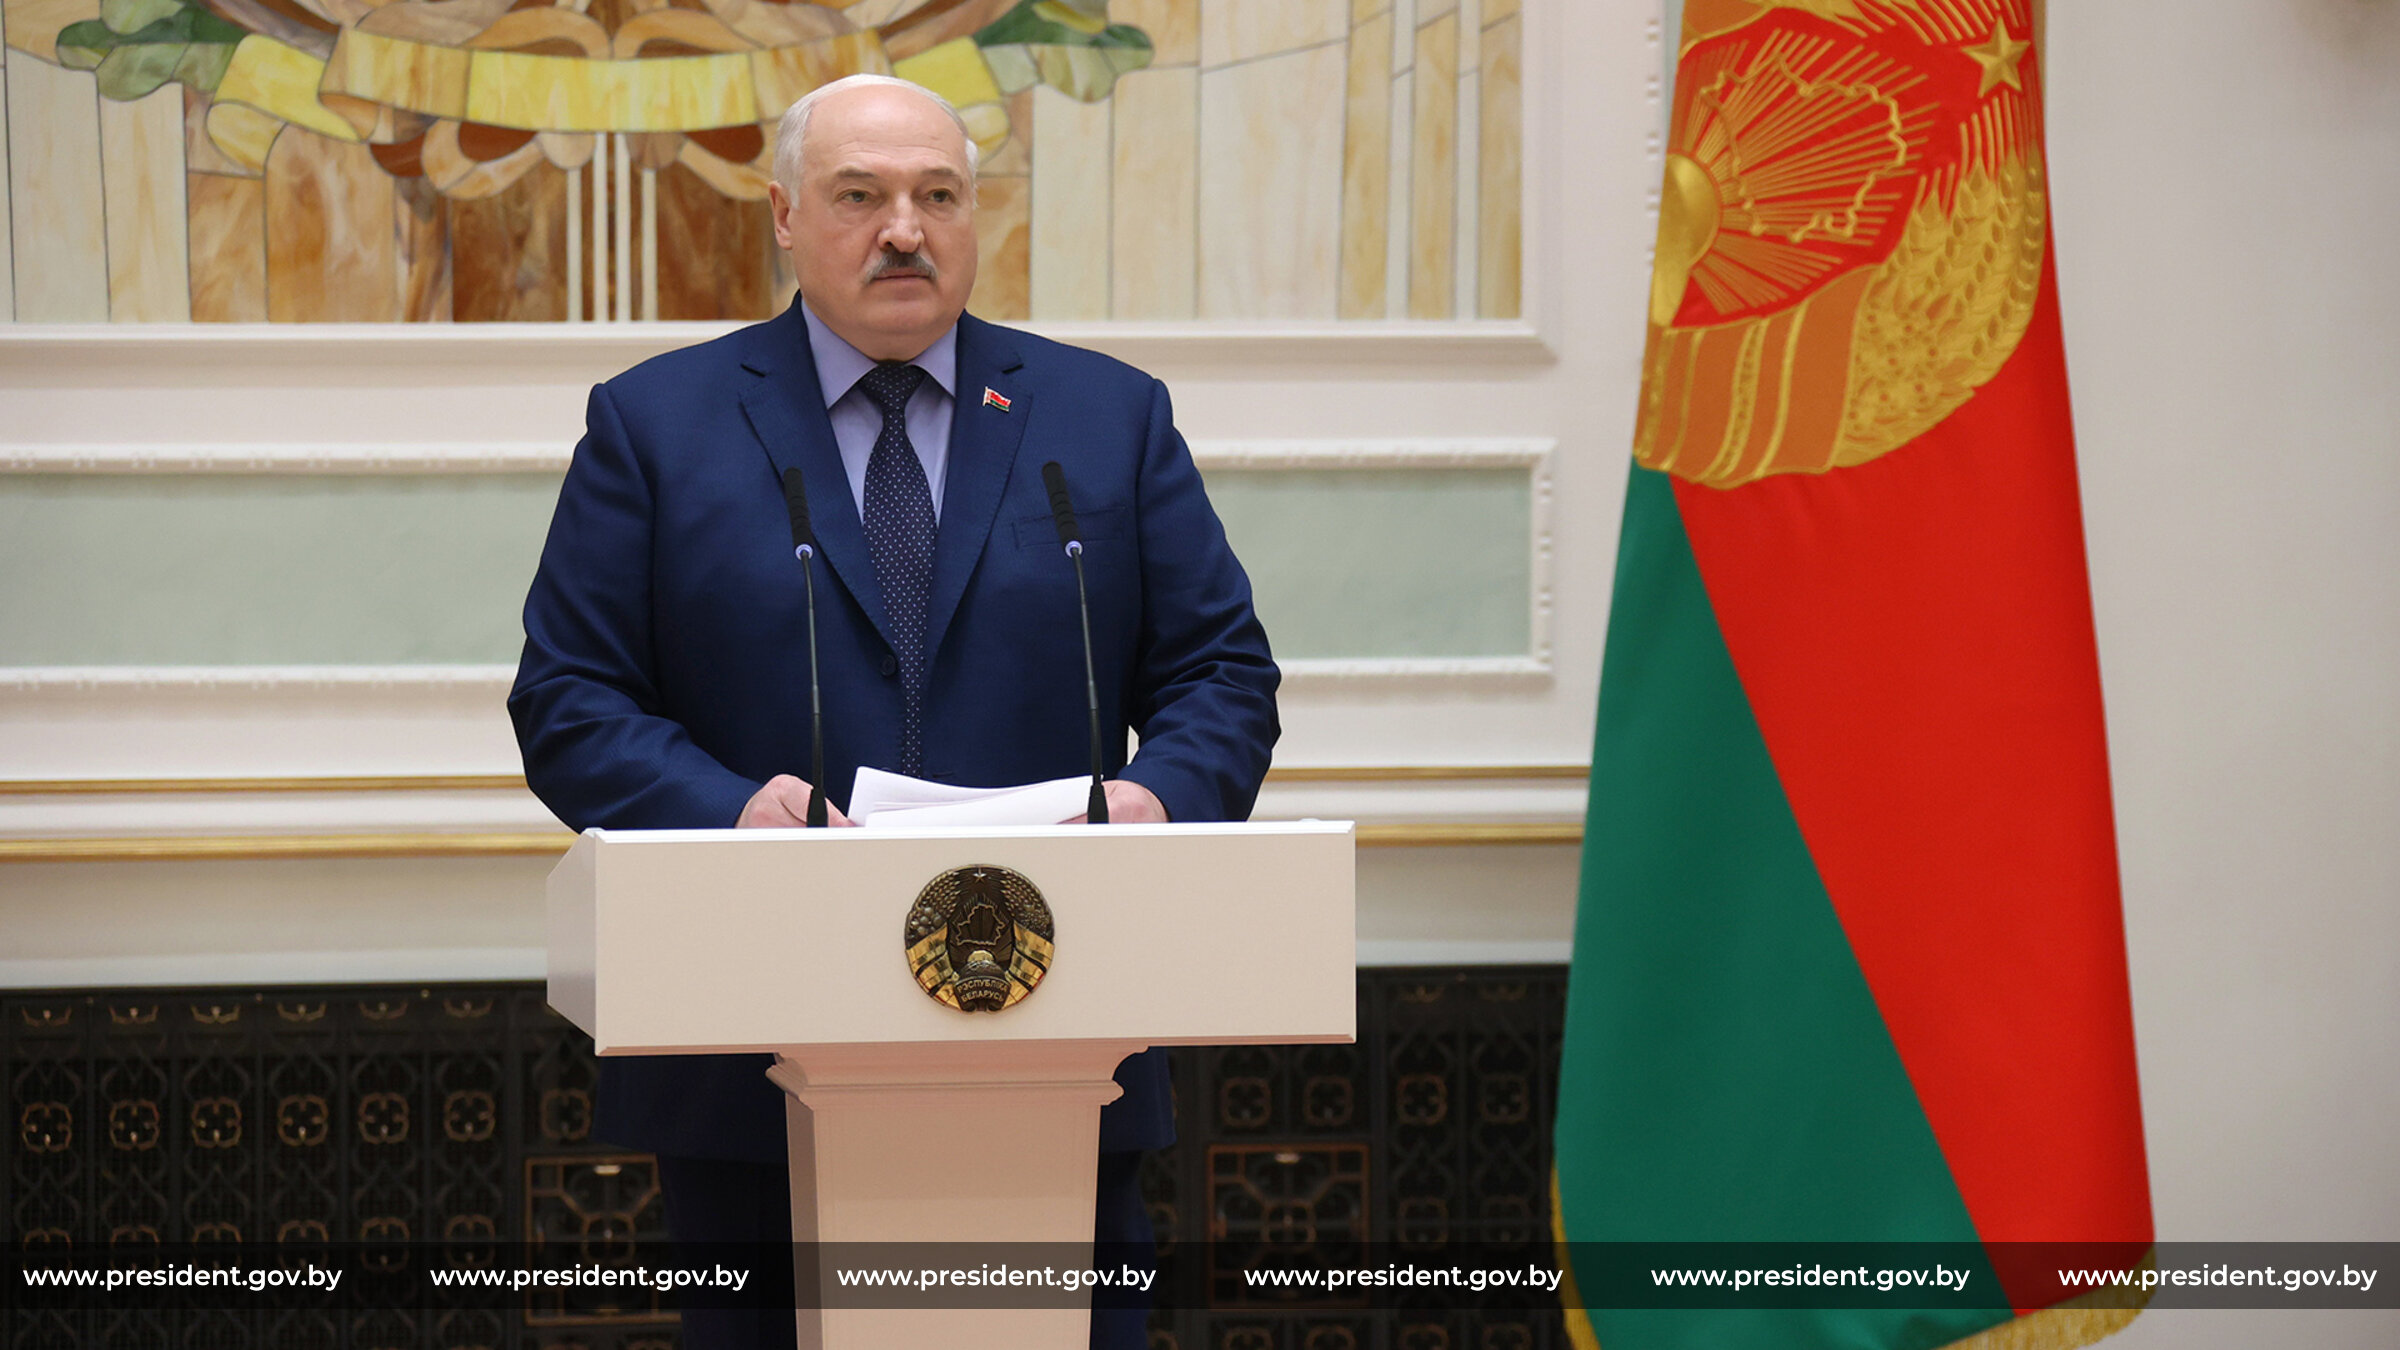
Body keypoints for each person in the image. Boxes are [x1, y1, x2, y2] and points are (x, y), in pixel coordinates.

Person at [507, 73, 1280, 1350]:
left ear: (975, 215)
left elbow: (1223, 674)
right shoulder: (658, 424)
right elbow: (570, 699)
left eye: (938, 197)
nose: (904, 230)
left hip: (1060, 1033)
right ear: (784, 217)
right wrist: (729, 812)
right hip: (750, 1054)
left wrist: (1156, 799)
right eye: (859, 196)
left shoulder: (1105, 416)